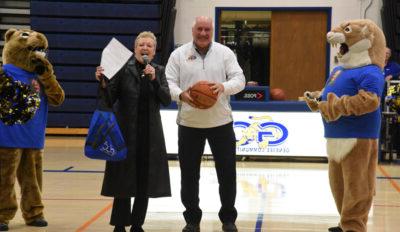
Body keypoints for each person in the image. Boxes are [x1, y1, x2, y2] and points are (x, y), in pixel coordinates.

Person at [165, 16, 245, 232]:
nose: (203, 33)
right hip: (189, 123)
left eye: (207, 29)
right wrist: (181, 94)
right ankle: (192, 219)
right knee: (189, 174)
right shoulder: (178, 54)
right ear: (193, 30)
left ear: (213, 31)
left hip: (221, 122)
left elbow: (240, 79)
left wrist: (223, 87)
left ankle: (228, 219)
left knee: (227, 173)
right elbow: (168, 82)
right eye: (199, 29)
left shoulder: (225, 53)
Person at [95, 31, 171, 232]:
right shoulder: (122, 70)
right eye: (141, 45)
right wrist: (102, 81)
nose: (145, 48)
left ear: (154, 52)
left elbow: (166, 99)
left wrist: (154, 80)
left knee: (144, 181)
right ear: (134, 49)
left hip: (149, 135)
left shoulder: (159, 71)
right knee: (122, 180)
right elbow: (109, 99)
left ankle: (137, 225)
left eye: (149, 45)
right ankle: (119, 225)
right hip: (125, 133)